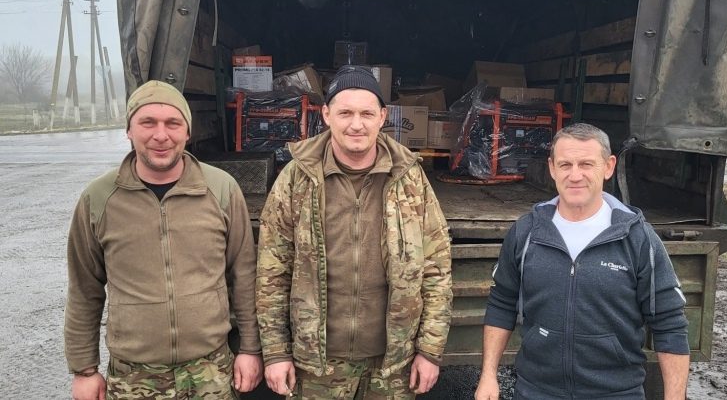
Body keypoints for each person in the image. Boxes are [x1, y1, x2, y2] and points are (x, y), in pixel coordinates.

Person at [256, 65, 453, 399]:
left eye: (367, 113)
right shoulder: (297, 178)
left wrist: (430, 350)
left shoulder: (409, 178)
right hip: (318, 365)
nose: (356, 124)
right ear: (327, 115)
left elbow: (437, 268)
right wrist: (276, 352)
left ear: (382, 117)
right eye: (345, 113)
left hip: (392, 364)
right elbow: (272, 271)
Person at [65, 80, 263, 400]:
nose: (161, 135)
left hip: (211, 371)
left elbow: (244, 275)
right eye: (148, 122)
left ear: (188, 132)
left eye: (173, 123)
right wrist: (84, 370)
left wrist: (250, 349)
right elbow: (84, 289)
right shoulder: (99, 199)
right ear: (129, 130)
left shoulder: (221, 190)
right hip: (133, 377)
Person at [475, 123, 690, 400]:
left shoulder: (638, 238)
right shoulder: (527, 233)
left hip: (616, 394)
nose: (575, 175)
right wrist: (488, 374)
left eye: (586, 164)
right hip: (536, 391)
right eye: (565, 165)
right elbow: (501, 304)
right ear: (552, 168)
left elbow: (669, 323)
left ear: (608, 166)